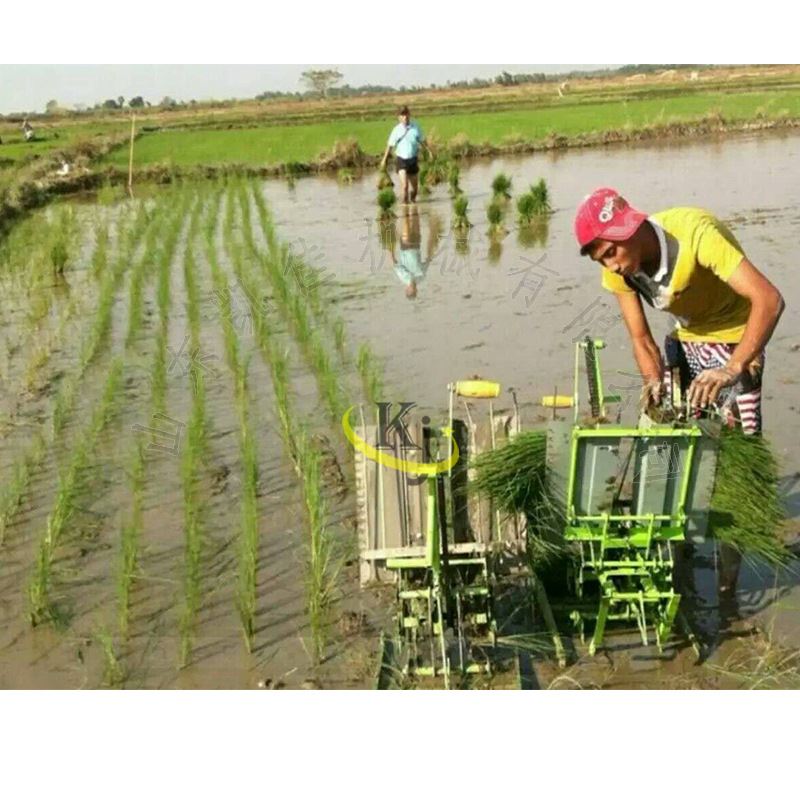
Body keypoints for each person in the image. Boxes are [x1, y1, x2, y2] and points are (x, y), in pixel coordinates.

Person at [574, 187, 786, 598]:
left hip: (737, 340)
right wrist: (654, 382)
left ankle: (728, 591)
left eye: (612, 253)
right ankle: (680, 572)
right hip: (686, 339)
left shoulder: (695, 234)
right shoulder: (615, 268)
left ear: (630, 228)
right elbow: (641, 338)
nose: (611, 266)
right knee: (672, 455)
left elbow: (769, 299)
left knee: (735, 470)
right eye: (601, 259)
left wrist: (733, 367)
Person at [379, 105, 431, 204]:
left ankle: (412, 201)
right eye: (402, 115)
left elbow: (422, 141)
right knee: (405, 186)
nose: (405, 117)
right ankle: (404, 206)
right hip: (401, 160)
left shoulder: (415, 127)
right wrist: (384, 159)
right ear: (399, 117)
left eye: (406, 114)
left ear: (409, 115)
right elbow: (390, 145)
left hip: (413, 159)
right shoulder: (396, 130)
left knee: (415, 188)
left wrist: (429, 152)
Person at [391, 205, 429, 299]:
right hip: (416, 244)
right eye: (414, 292)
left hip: (406, 245)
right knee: (416, 218)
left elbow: (394, 264)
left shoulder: (403, 277)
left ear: (407, 290)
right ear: (417, 290)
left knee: (406, 220)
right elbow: (427, 261)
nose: (414, 290)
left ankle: (404, 205)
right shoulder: (421, 277)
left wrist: (390, 248)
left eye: (411, 291)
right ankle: (414, 202)